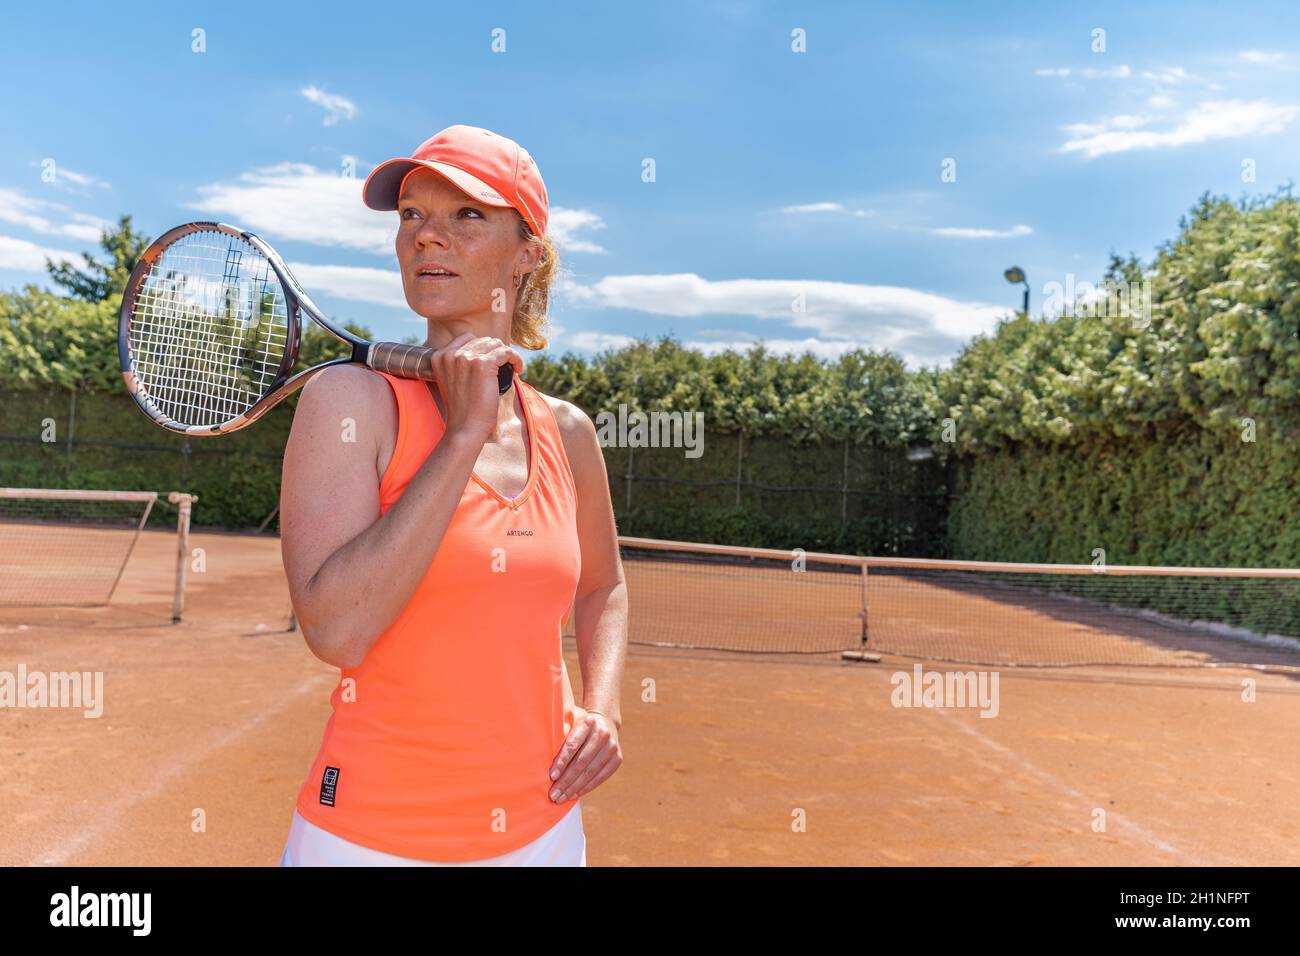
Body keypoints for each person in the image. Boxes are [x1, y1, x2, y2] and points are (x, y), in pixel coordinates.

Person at [277, 125, 627, 866]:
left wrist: (603, 705)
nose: (427, 237)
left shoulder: (567, 432)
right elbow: (337, 631)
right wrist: (462, 435)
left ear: (527, 254)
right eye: (411, 215)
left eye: (466, 214)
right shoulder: (349, 402)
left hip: (545, 830)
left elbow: (604, 586)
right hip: (369, 839)